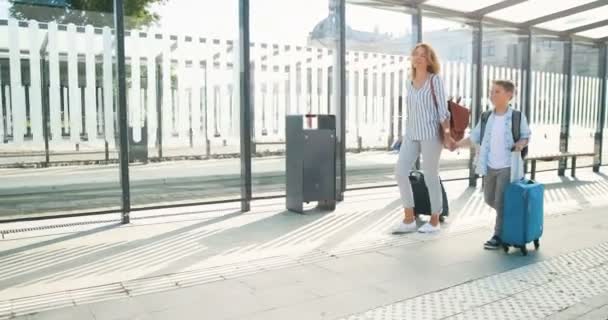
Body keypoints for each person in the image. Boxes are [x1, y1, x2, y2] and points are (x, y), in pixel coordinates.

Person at [452, 80, 531, 249]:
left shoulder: (517, 116)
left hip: (507, 166)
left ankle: (498, 235)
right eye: (491, 91)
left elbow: (525, 136)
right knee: (489, 199)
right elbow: (474, 137)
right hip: (489, 166)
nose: (492, 95)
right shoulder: (487, 116)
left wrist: (520, 144)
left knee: (501, 201)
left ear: (509, 95)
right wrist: (457, 144)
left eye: (497, 91)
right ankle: (510, 219)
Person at [393, 43, 454, 234]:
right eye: (416, 54)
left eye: (423, 55)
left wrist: (447, 136)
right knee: (400, 172)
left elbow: (443, 111)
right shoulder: (408, 82)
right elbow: (410, 111)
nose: (418, 58)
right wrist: (404, 134)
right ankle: (409, 218)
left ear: (429, 60)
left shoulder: (435, 80)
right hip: (412, 134)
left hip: (430, 134)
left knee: (430, 176)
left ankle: (435, 219)